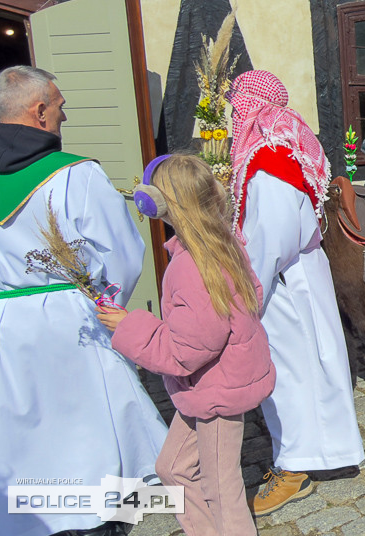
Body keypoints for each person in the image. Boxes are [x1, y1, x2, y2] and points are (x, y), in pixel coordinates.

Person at [0, 65, 168, 536]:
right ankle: (95, 518)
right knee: (88, 422)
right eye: (60, 107)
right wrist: (105, 303)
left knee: (17, 426)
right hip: (70, 319)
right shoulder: (76, 174)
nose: (63, 116)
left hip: (3, 322)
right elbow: (122, 255)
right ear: (38, 112)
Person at [98, 154, 276, 536]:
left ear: (155, 204)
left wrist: (129, 325)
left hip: (215, 392)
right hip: (207, 388)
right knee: (173, 468)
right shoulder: (220, 242)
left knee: (220, 487)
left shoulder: (191, 264)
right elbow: (251, 298)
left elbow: (185, 351)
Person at [227, 70, 364, 515]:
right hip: (298, 272)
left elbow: (271, 234)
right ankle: (315, 451)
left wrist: (246, 292)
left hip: (282, 278)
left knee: (290, 370)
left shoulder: (270, 158)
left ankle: (296, 464)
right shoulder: (282, 147)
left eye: (236, 105)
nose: (232, 114)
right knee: (311, 363)